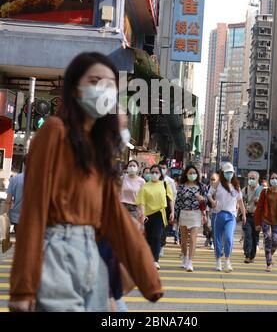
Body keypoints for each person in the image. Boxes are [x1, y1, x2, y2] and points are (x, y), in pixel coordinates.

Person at [8, 52, 163, 312]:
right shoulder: (55, 131)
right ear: (76, 90)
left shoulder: (97, 149)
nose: (102, 88)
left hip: (91, 257)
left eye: (110, 83)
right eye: (94, 80)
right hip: (57, 252)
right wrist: (22, 288)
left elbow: (115, 217)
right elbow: (34, 208)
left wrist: (149, 279)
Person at [136, 164, 174, 270]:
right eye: (152, 172)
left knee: (157, 237)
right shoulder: (145, 187)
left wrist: (172, 212)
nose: (154, 174)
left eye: (157, 172)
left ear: (160, 174)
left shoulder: (165, 185)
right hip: (148, 215)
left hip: (160, 214)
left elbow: (170, 199)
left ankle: (155, 260)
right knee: (148, 238)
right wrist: (143, 215)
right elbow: (141, 202)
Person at [213, 163, 246, 273]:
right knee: (217, 238)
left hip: (231, 216)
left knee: (228, 237)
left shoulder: (236, 186)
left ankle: (227, 260)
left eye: (231, 172)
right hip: (219, 214)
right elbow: (208, 194)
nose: (229, 174)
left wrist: (244, 214)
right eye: (227, 172)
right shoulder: (217, 184)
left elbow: (240, 201)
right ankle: (218, 260)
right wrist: (213, 202)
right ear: (222, 173)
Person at [174, 166, 206, 272]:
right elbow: (177, 202)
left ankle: (190, 262)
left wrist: (203, 200)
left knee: (192, 238)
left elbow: (206, 202)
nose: (192, 175)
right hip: (183, 213)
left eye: (194, 173)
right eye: (190, 173)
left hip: (196, 214)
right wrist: (175, 217)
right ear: (186, 174)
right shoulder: (181, 187)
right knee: (183, 239)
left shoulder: (201, 186)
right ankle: (184, 256)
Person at [255, 172, 277, 272]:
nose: (274, 179)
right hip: (265, 219)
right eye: (272, 178)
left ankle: (270, 254)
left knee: (275, 241)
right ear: (269, 180)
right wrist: (257, 223)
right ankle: (268, 263)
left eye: (276, 178)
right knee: (268, 239)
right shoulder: (265, 192)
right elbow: (259, 208)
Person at [242, 171, 263, 264]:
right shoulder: (245, 190)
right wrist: (242, 212)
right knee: (248, 235)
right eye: (249, 178)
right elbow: (240, 202)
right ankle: (247, 255)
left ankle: (252, 256)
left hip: (258, 217)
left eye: (253, 178)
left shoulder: (262, 190)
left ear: (257, 179)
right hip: (247, 216)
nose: (251, 180)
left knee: (255, 237)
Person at [5, 155, 27, 235]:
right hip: (35, 217)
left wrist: (6, 215)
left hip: (17, 216)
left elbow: (8, 200)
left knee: (20, 240)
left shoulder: (15, 179)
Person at [158, 160, 176, 256]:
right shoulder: (154, 179)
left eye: (163, 168)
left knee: (163, 228)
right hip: (154, 207)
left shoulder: (170, 181)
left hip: (166, 208)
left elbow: (173, 196)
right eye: (160, 168)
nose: (162, 170)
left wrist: (173, 211)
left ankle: (161, 246)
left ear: (167, 169)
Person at [206, 173, 220, 248]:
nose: (212, 181)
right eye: (211, 179)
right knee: (208, 226)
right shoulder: (207, 187)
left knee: (214, 227)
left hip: (217, 210)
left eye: (214, 179)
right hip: (208, 209)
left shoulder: (220, 188)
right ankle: (208, 237)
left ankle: (211, 241)